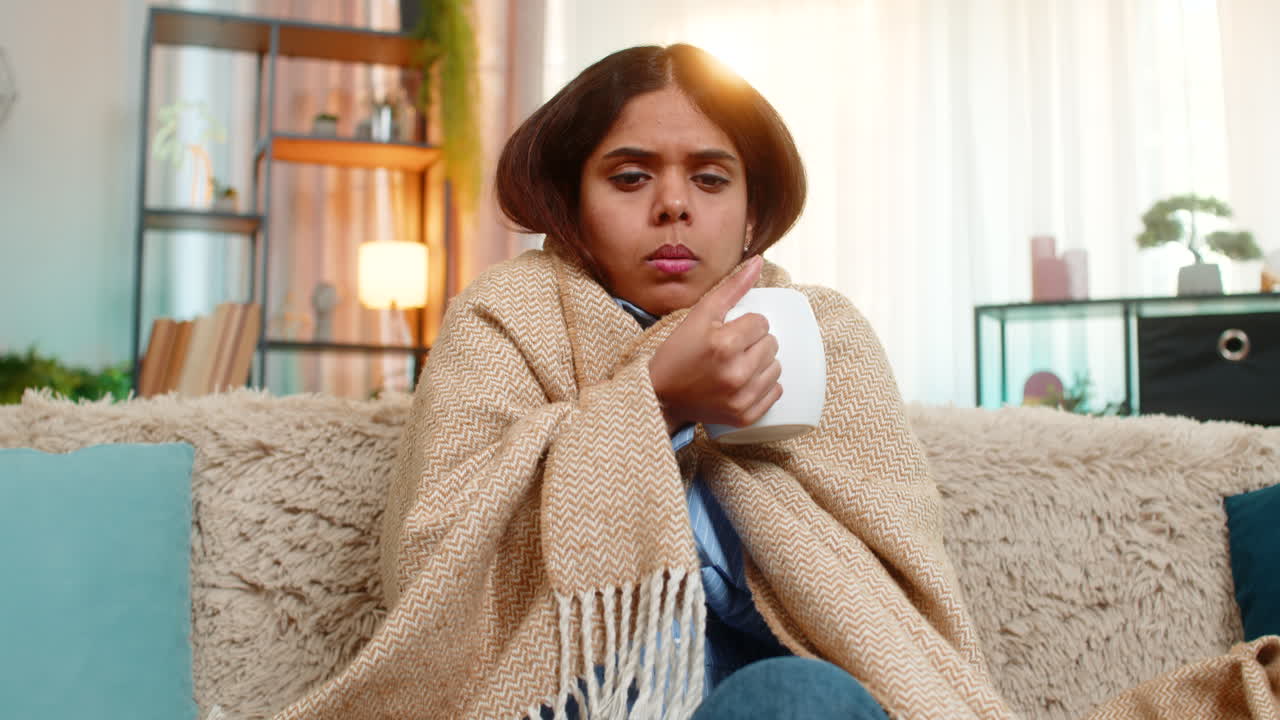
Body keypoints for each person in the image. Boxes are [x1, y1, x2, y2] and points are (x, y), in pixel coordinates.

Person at [275, 43, 1011, 720]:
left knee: (797, 695)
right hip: (577, 692)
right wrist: (656, 401)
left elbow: (895, 581)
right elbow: (437, 562)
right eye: (630, 177)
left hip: (787, 685)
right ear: (573, 206)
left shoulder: (825, 334)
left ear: (752, 211)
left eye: (710, 178)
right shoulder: (503, 322)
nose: (672, 204)